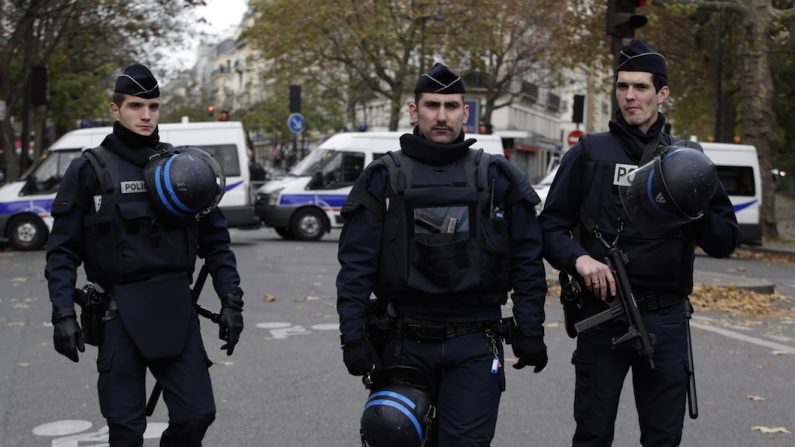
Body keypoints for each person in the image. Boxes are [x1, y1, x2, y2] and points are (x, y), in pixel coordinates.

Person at [336, 62, 548, 446]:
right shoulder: (383, 178)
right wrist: (352, 337)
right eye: (432, 105)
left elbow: (527, 263)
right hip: (404, 343)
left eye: (451, 106)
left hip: (474, 343)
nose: (442, 115)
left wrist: (530, 329)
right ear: (414, 111)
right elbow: (355, 266)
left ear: (466, 112)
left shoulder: (497, 177)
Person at [539, 40, 739, 446]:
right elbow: (549, 228)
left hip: (665, 320)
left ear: (662, 93)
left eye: (641, 87)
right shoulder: (589, 153)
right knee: (593, 434)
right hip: (602, 316)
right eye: (622, 86)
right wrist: (580, 261)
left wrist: (692, 204)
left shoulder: (687, 158)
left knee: (663, 437)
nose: (629, 96)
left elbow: (724, 241)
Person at [45, 63, 244, 447]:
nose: (146, 115)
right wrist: (62, 314)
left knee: (197, 415)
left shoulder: (184, 168)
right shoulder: (89, 170)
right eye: (136, 106)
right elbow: (62, 252)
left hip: (175, 308)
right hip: (118, 314)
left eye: (153, 106)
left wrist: (232, 300)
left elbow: (217, 243)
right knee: (125, 430)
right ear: (115, 109)